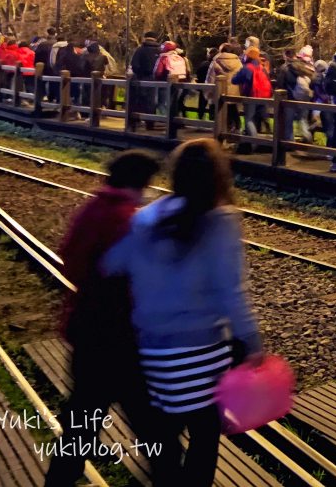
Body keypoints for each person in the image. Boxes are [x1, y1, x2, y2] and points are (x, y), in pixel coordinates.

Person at [101, 139, 263, 487]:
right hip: (203, 351)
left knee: (166, 438)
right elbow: (230, 292)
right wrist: (252, 343)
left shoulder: (148, 216)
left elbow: (113, 263)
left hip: (154, 352)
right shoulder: (221, 220)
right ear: (219, 176)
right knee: (205, 437)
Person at [45, 150, 161, 487]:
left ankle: (58, 481)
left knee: (80, 422)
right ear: (141, 183)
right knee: (151, 426)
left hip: (86, 330)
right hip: (122, 339)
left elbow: (69, 256)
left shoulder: (92, 208)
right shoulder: (126, 219)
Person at [232, 48, 272, 152]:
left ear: (247, 56)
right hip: (264, 97)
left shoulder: (247, 68)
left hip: (252, 96)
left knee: (249, 120)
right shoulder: (261, 67)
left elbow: (235, 80)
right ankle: (271, 139)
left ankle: (254, 143)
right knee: (262, 118)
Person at [129, 32, 162, 127]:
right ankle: (151, 122)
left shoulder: (140, 50)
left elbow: (134, 65)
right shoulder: (160, 51)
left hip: (143, 78)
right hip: (158, 79)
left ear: (145, 38)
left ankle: (137, 120)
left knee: (141, 99)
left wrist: (139, 73)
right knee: (153, 101)